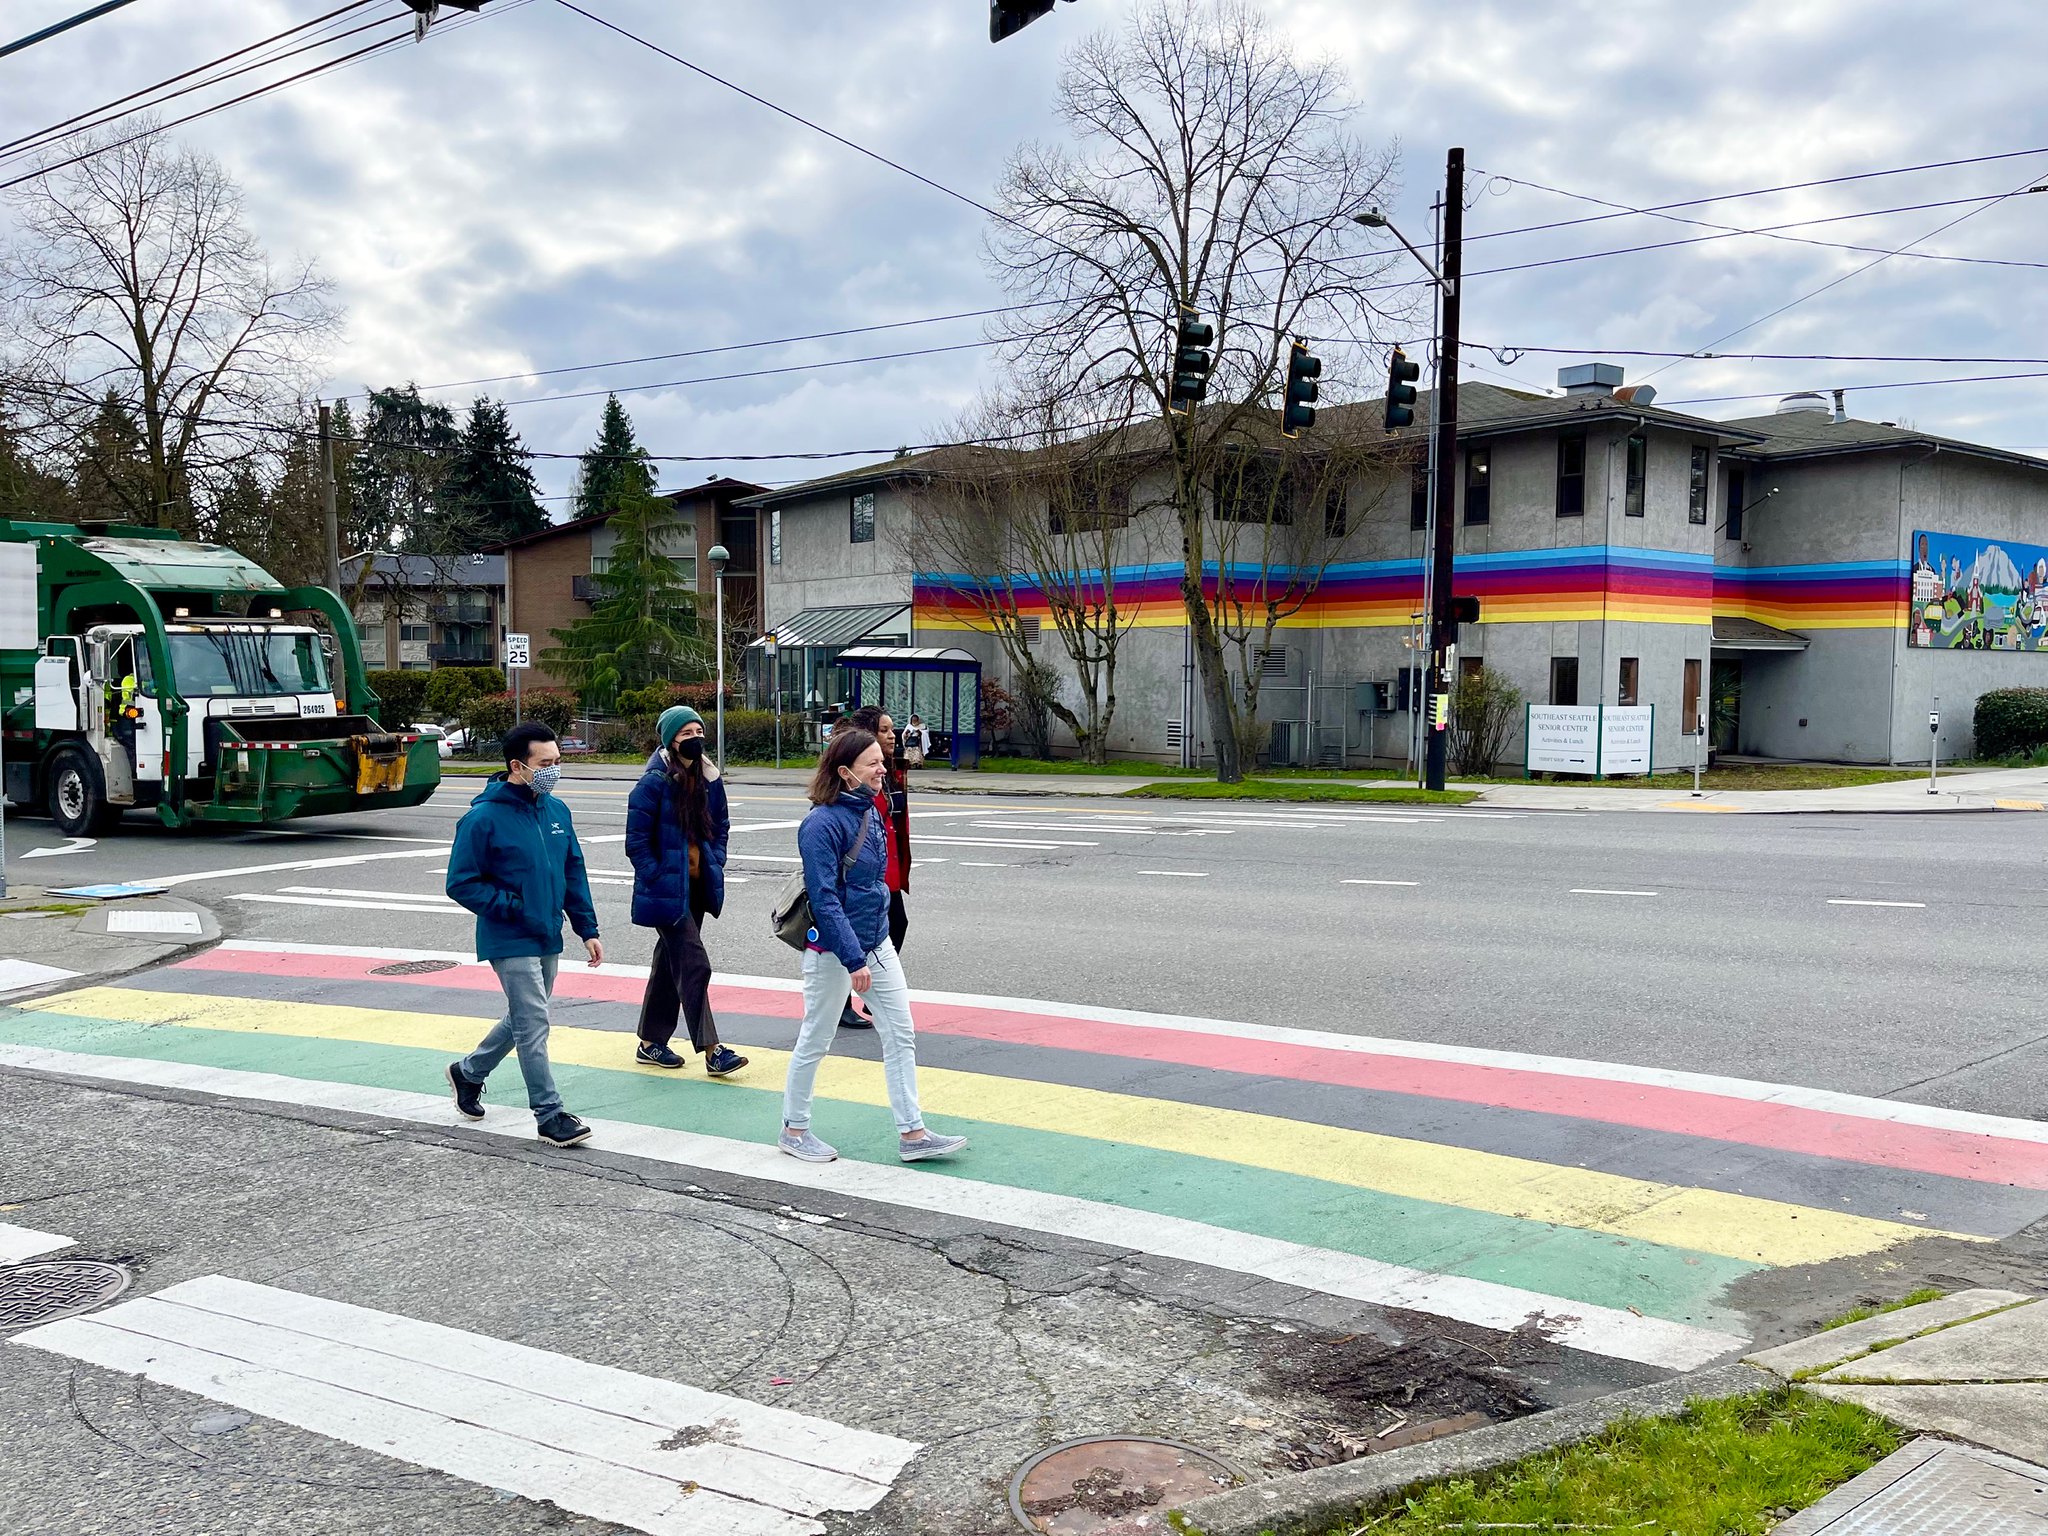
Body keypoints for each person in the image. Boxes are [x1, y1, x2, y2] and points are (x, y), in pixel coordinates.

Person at [778, 727, 966, 1166]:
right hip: (832, 952)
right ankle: (794, 1129)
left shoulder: (871, 810)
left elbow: (873, 888)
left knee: (901, 1034)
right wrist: (852, 957)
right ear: (846, 773)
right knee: (816, 1038)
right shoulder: (820, 824)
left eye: (881, 760)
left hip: (876, 945)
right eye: (873, 763)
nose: (883, 768)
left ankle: (913, 1134)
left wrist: (873, 944)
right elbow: (824, 898)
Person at [444, 721, 604, 1148]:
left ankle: (469, 1072)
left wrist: (586, 927)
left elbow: (573, 870)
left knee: (523, 1016)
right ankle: (549, 1114)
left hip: (547, 931)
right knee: (534, 1022)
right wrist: (514, 908)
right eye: (545, 763)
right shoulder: (483, 818)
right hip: (508, 935)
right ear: (518, 766)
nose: (554, 770)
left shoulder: (556, 810)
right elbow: (461, 881)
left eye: (557, 761)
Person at [627, 705, 747, 1076]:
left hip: (697, 886)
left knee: (670, 963)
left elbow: (721, 824)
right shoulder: (653, 783)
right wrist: (657, 874)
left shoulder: (709, 779)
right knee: (695, 963)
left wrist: (717, 858)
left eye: (699, 731)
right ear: (670, 740)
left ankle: (650, 1042)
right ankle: (713, 1051)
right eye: (686, 733)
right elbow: (636, 842)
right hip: (668, 891)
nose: (695, 739)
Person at [837, 705, 911, 1031]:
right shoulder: (857, 779)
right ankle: (846, 998)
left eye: (892, 729)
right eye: (884, 730)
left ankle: (863, 989)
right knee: (876, 930)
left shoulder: (891, 770)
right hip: (869, 871)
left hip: (888, 866)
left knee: (895, 925)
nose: (892, 735)